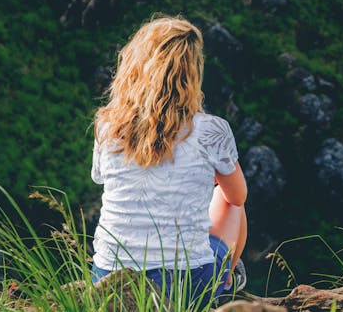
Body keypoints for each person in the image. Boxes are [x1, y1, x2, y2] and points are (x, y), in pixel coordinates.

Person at [90, 16, 248, 307]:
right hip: (183, 284)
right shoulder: (210, 130)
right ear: (192, 73)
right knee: (229, 201)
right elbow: (237, 195)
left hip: (106, 273)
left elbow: (102, 178)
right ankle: (225, 282)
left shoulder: (107, 125)